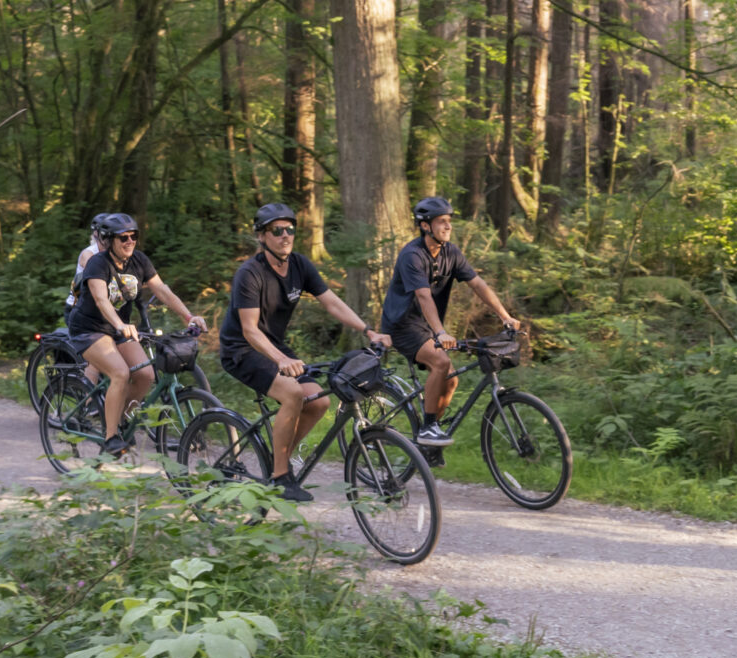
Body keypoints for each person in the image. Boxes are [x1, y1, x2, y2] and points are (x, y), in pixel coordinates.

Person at [219, 202, 377, 502]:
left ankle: (278, 457)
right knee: (293, 394)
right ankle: (280, 476)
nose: (285, 235)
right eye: (277, 230)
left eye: (290, 229)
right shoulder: (250, 273)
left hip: (274, 347)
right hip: (241, 348)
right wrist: (281, 360)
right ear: (262, 236)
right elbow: (250, 330)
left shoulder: (300, 265)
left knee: (318, 402)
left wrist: (368, 330)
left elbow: (332, 303)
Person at [382, 196, 519, 451]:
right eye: (441, 221)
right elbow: (423, 296)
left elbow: (477, 284)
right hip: (401, 325)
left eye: (449, 221)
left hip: (426, 325)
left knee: (451, 381)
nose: (448, 226)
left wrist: (504, 316)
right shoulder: (412, 256)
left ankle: (429, 444)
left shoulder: (451, 252)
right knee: (441, 362)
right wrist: (441, 332)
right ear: (425, 226)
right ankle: (428, 428)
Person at [67, 213, 203, 456]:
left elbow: (162, 289)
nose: (130, 241)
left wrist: (189, 316)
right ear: (109, 240)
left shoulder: (139, 260)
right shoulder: (98, 263)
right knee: (119, 373)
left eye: (134, 236)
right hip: (88, 329)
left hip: (118, 328)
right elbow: (100, 299)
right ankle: (110, 438)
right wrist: (120, 324)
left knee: (145, 374)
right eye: (124, 238)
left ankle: (120, 423)